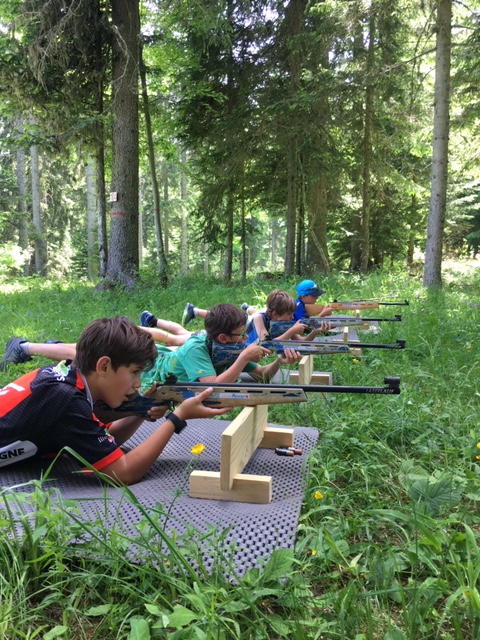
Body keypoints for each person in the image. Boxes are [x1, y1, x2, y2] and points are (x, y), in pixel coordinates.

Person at [0, 317, 231, 485]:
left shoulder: (64, 379)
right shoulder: (67, 400)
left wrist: (142, 409)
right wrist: (177, 418)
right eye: (134, 372)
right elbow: (123, 473)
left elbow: (105, 438)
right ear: (104, 366)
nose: (138, 384)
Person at [141, 303, 302, 388]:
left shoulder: (230, 348)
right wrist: (243, 358)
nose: (246, 337)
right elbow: (212, 387)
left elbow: (262, 375)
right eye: (242, 334)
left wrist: (279, 361)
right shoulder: (196, 348)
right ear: (223, 338)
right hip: (149, 369)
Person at [244, 289, 331, 344]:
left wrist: (315, 331)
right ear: (275, 315)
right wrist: (291, 331)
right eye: (289, 315)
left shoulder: (285, 323)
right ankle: (248, 308)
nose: (292, 318)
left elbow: (302, 341)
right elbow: (266, 344)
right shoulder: (259, 318)